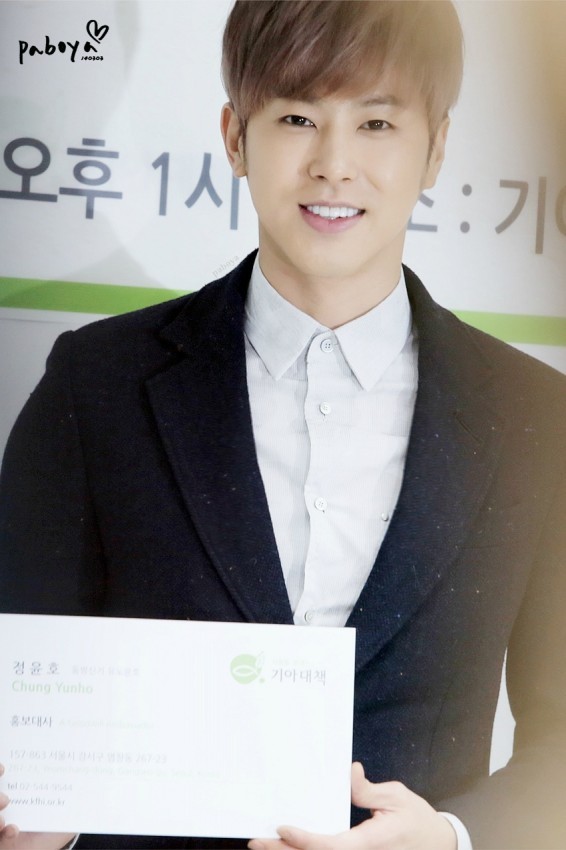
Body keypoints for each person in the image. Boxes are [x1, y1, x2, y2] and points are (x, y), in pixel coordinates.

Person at [1, 1, 566, 848]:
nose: (334, 165)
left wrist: (452, 837)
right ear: (236, 136)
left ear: (436, 148)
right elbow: (20, 689)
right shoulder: (96, 383)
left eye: (377, 123)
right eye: (298, 118)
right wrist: (37, 822)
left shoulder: (537, 421)